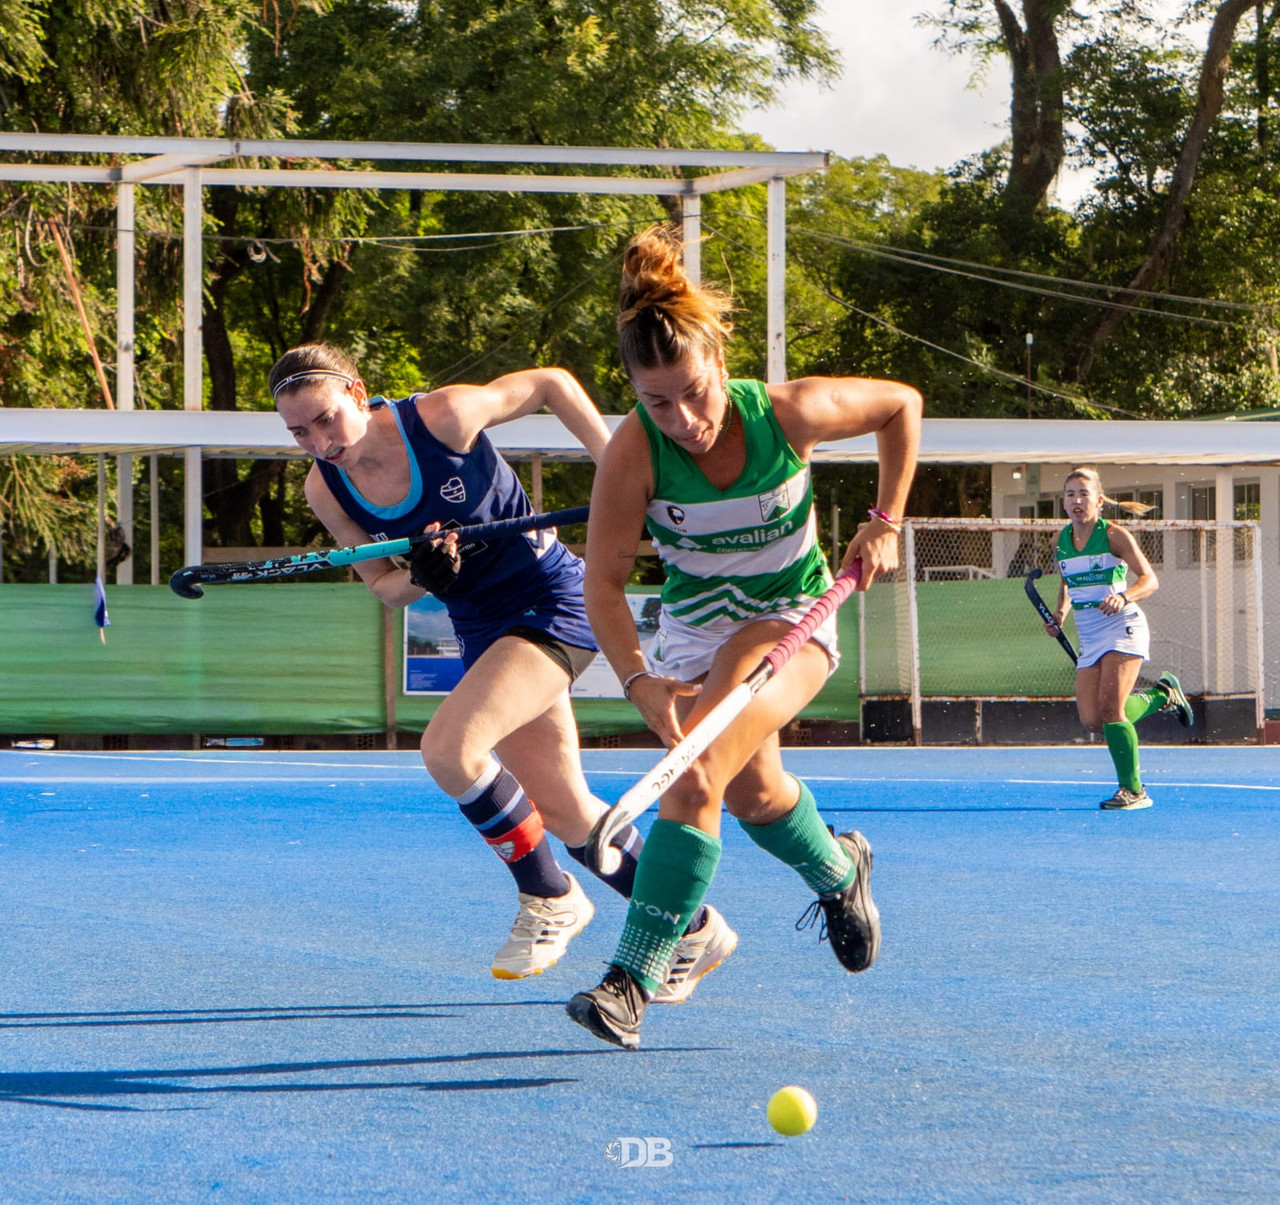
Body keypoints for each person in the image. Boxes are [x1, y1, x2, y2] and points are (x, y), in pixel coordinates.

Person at [270, 343, 736, 998]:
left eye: (325, 419)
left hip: (552, 602)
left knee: (449, 750)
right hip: (483, 628)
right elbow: (384, 585)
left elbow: (551, 383)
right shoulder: (325, 487)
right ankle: (694, 926)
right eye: (299, 432)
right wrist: (423, 575)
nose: (320, 443)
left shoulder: (443, 417)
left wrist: (622, 475)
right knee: (566, 811)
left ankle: (549, 895)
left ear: (356, 391)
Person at [566, 226, 923, 1049]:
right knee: (754, 794)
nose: (684, 419)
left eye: (695, 392)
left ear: (720, 361)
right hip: (693, 635)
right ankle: (841, 868)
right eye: (658, 402)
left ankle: (632, 977)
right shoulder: (632, 453)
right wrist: (638, 679)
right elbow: (603, 586)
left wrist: (885, 519)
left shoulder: (787, 413)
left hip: (790, 619)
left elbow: (901, 405)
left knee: (696, 771)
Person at [1043, 467, 1194, 810]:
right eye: (1070, 494)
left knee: (1111, 708)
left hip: (1122, 625)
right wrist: (1060, 614)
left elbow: (1150, 580)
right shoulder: (1059, 542)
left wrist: (1124, 596)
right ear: (1063, 502)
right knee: (1093, 720)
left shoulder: (1114, 535)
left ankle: (1133, 790)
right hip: (1089, 633)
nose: (1077, 500)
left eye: (1084, 494)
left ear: (1099, 500)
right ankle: (1162, 695)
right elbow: (1068, 583)